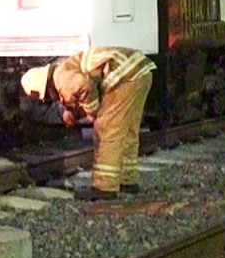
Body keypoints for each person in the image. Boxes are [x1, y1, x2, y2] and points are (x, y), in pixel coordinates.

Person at [21, 46, 155, 200]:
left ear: (44, 87)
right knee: (128, 131)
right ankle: (127, 179)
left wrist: (93, 113)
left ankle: (104, 187)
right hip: (139, 72)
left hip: (123, 76)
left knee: (106, 130)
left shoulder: (61, 78)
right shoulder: (65, 70)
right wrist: (74, 113)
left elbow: (83, 86)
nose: (48, 99)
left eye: (45, 97)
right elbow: (85, 89)